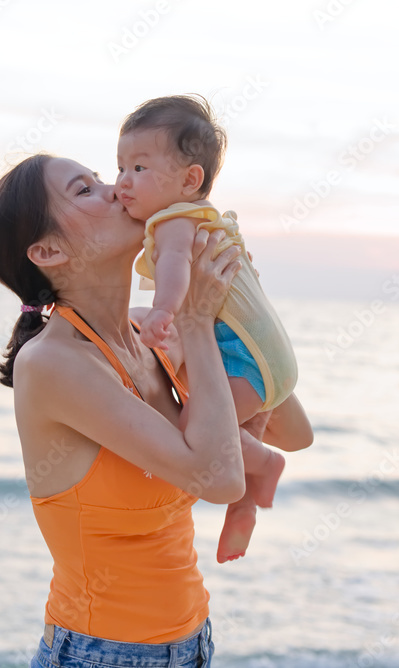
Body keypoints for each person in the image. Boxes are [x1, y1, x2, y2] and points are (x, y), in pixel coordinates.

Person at [0, 154, 312, 667]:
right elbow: (219, 480)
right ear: (49, 250)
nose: (116, 189)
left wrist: (240, 310)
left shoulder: (148, 335)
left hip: (193, 641)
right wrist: (197, 322)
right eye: (84, 190)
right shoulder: (51, 363)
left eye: (102, 177)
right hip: (99, 652)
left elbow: (293, 432)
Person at [116, 95, 309, 559]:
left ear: (190, 179)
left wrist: (164, 310)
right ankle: (244, 506)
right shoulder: (203, 219)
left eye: (139, 168)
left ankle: (264, 464)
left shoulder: (174, 221)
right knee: (233, 427)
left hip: (249, 360)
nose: (122, 182)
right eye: (120, 166)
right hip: (261, 354)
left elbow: (176, 266)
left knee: (199, 429)